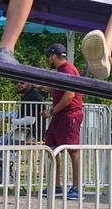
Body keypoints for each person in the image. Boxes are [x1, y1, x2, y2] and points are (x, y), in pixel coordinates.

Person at [42, 43, 82, 200]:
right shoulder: (61, 70)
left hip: (69, 116)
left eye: (48, 56)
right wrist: (40, 86)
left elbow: (69, 95)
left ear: (53, 56)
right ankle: (56, 186)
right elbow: (57, 90)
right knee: (51, 147)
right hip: (60, 116)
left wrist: (52, 111)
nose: (48, 59)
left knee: (73, 151)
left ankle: (77, 188)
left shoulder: (68, 70)